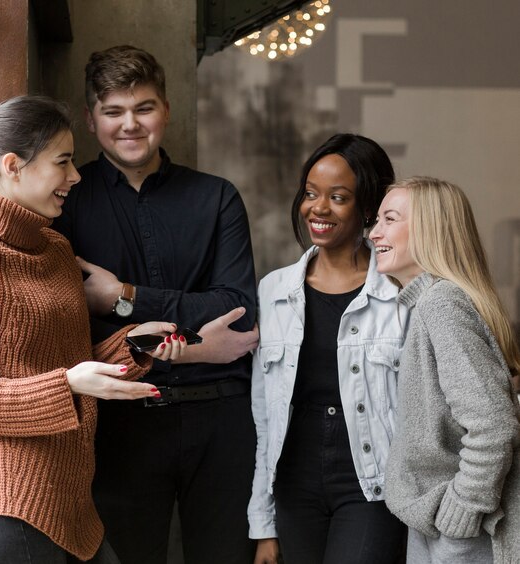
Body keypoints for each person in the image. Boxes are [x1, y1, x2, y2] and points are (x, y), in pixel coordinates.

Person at [0, 95, 187, 564]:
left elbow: (70, 365)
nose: (76, 175)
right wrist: (66, 385)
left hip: (72, 508)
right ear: (13, 166)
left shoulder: (56, 250)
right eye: (62, 162)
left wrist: (135, 343)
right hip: (6, 512)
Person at [52, 46, 258, 564]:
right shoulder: (65, 200)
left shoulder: (217, 198)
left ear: (165, 109)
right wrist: (192, 347)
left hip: (221, 420)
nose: (131, 125)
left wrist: (126, 297)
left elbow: (237, 308)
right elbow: (69, 320)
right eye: (113, 112)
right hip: (121, 421)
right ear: (90, 118)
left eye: (143, 108)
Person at [248, 133, 407, 564]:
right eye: (311, 193)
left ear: (369, 207)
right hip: (295, 481)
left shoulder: (401, 295)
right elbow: (266, 415)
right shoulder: (274, 290)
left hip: (372, 481)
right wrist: (264, 524)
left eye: (338, 197)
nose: (318, 208)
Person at [370, 177, 520, 564]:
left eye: (390, 219)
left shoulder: (442, 305)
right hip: (441, 525)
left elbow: (493, 425)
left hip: (460, 532)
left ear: (430, 228)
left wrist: (464, 509)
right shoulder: (432, 303)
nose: (374, 233)